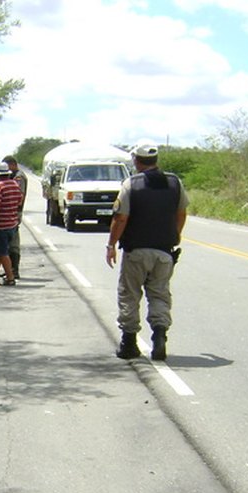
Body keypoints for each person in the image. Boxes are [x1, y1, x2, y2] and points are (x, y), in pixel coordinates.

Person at [105, 140, 188, 361]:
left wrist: (111, 244)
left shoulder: (131, 184)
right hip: (164, 251)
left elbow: (121, 218)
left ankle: (129, 343)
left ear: (136, 160)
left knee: (130, 294)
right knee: (159, 293)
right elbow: (181, 213)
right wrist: (175, 235)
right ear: (156, 160)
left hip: (136, 251)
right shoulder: (174, 183)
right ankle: (160, 336)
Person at [0, 161, 23, 286]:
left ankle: (10, 278)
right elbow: (19, 200)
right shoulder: (15, 185)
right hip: (12, 224)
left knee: (2, 253)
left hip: (1, 225)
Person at [1, 155, 28, 278]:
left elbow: (19, 196)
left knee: (13, 242)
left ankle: (14, 270)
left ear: (12, 165)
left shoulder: (19, 177)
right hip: (11, 212)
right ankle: (9, 269)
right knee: (8, 242)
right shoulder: (14, 176)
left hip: (14, 212)